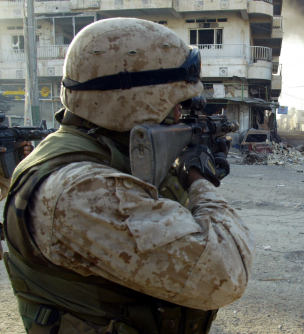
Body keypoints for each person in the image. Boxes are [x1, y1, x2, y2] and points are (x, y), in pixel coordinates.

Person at [2, 18, 254, 334]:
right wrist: (198, 178)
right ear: (135, 102)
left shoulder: (98, 152)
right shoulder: (82, 191)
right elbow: (225, 274)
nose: (178, 116)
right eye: (175, 106)